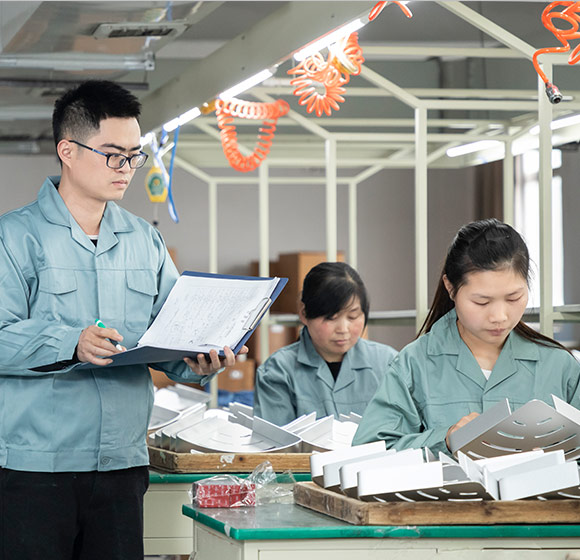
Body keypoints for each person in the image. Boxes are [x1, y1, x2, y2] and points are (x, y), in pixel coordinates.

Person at [0, 80, 241, 560]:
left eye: (134, 156)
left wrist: (199, 359)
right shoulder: (15, 237)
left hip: (122, 465)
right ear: (67, 150)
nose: (126, 168)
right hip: (35, 468)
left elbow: (170, 333)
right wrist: (71, 342)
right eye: (113, 154)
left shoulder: (144, 241)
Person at [353, 218, 580, 455]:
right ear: (450, 288)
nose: (499, 316)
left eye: (513, 298)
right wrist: (446, 440)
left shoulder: (559, 366)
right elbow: (369, 451)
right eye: (481, 301)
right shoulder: (414, 364)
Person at [253, 262, 398, 426]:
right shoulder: (278, 371)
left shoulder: (388, 362)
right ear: (304, 314)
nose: (343, 329)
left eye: (353, 317)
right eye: (331, 318)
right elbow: (276, 447)